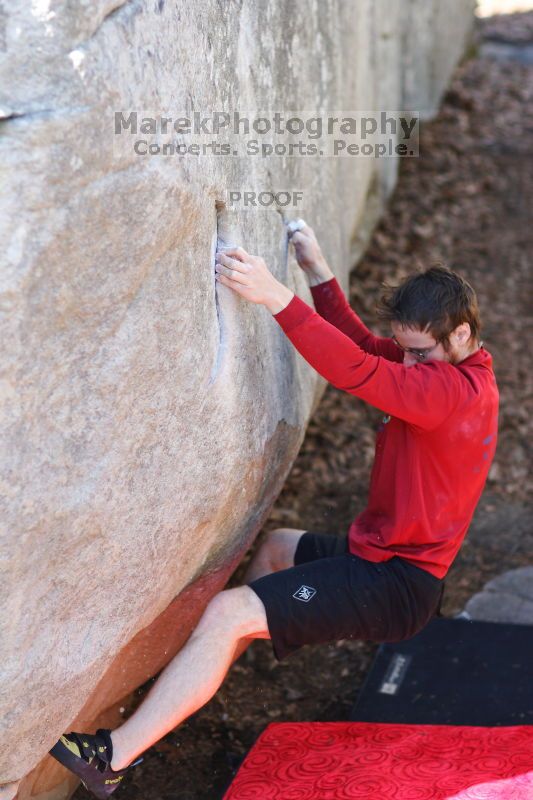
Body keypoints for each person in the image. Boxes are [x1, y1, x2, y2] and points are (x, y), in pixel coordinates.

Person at [47, 221, 498, 799]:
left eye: (419, 353)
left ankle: (113, 756)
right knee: (278, 548)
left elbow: (355, 371)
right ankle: (197, 681)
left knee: (231, 612)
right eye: (406, 352)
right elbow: (366, 349)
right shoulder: (449, 370)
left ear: (461, 334)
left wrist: (274, 296)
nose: (408, 364)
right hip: (386, 556)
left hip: (396, 582)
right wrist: (318, 274)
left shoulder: (452, 394)